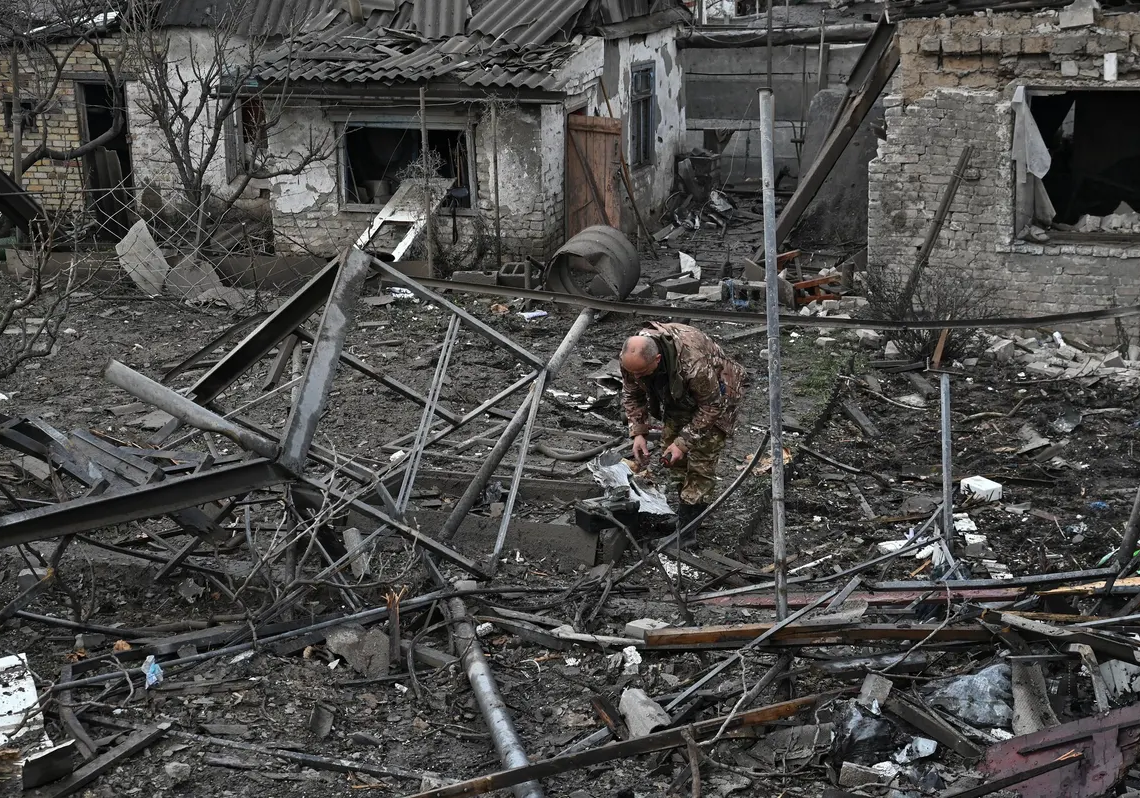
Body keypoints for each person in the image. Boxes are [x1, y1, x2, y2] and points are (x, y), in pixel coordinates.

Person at [620, 322, 744, 545]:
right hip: (678, 395)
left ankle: (687, 535)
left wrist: (684, 442)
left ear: (657, 360)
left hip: (717, 397)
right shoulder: (632, 361)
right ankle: (686, 518)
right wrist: (638, 433)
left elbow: (712, 406)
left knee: (700, 463)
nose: (636, 377)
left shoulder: (693, 363)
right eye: (633, 373)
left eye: (641, 373)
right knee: (673, 458)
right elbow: (632, 394)